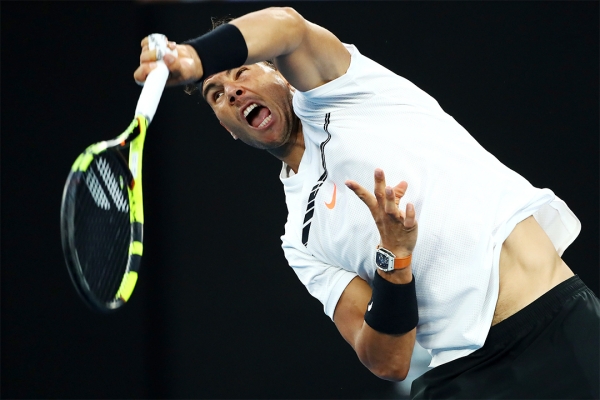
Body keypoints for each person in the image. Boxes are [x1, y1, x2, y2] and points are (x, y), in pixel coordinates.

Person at [134, 7, 599, 399]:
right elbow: (387, 360)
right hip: (463, 380)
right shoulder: (299, 239)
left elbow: (287, 24)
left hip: (556, 327)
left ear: (282, 74)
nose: (233, 92)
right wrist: (394, 259)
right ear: (227, 128)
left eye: (242, 72)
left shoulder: (349, 91)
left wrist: (195, 57)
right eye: (216, 94)